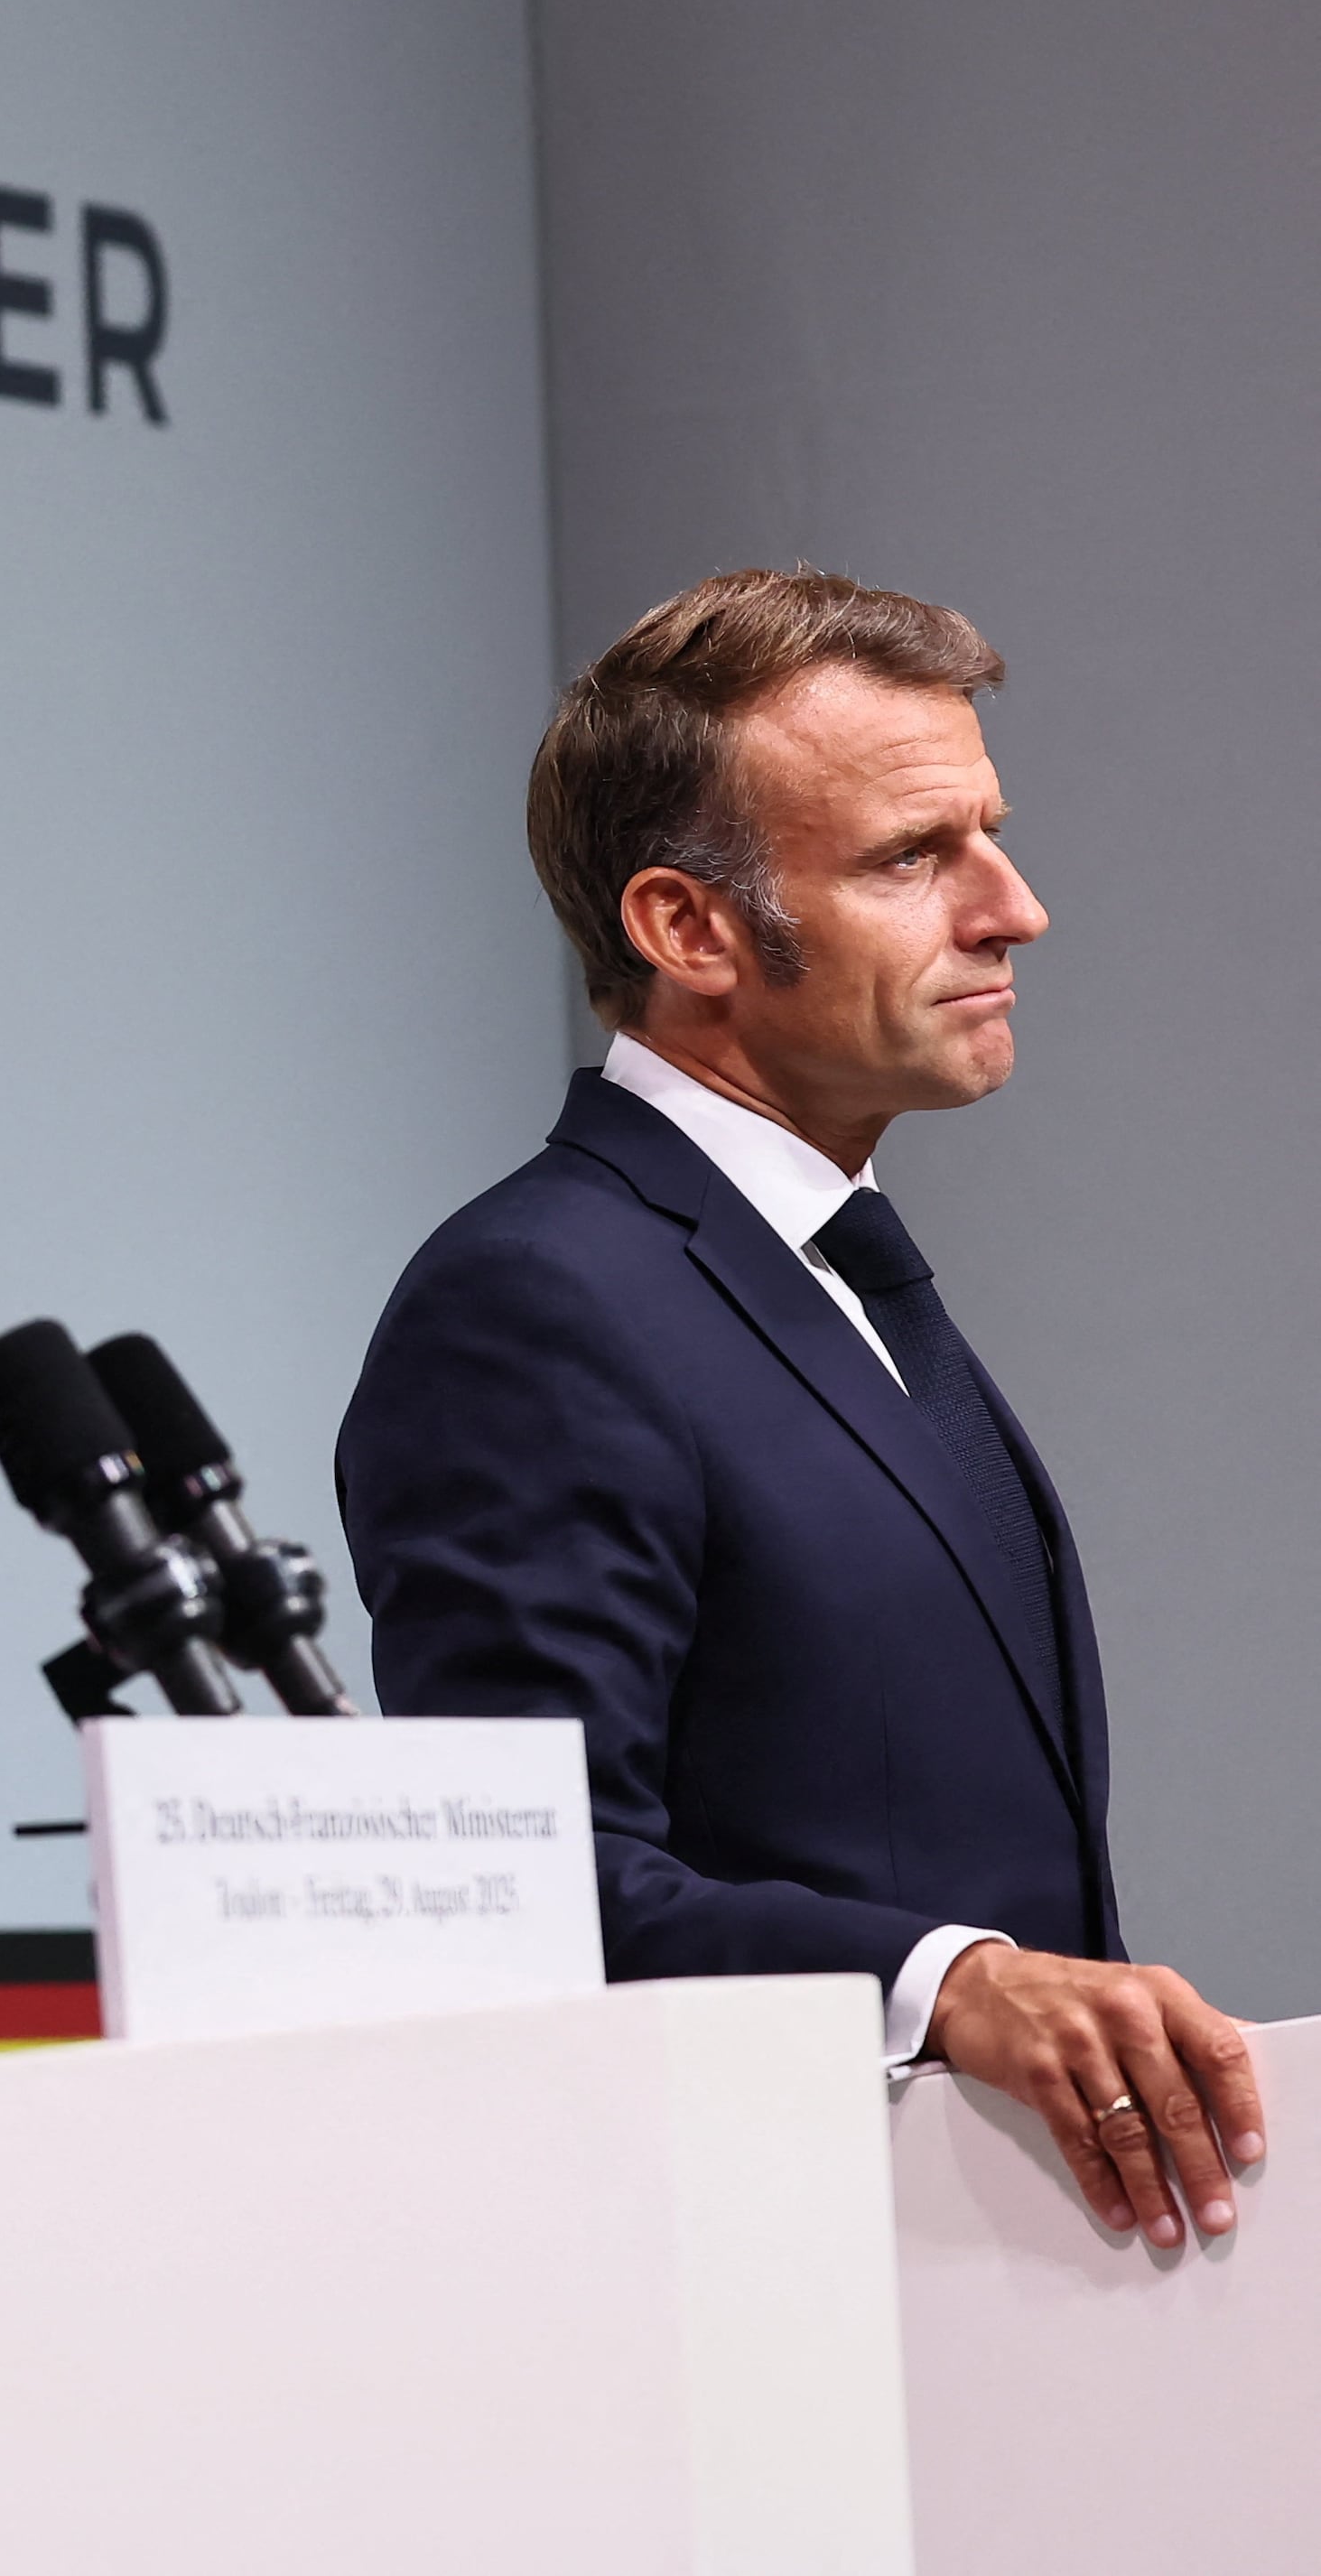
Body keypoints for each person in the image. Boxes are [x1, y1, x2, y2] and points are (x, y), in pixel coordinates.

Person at [344, 568, 1261, 2251]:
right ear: (688, 930)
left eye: (986, 832)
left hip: (992, 2301)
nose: (1015, 905)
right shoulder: (539, 1302)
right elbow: (527, 1889)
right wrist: (945, 1980)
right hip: (760, 2309)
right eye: (915, 856)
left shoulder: (837, 1263)